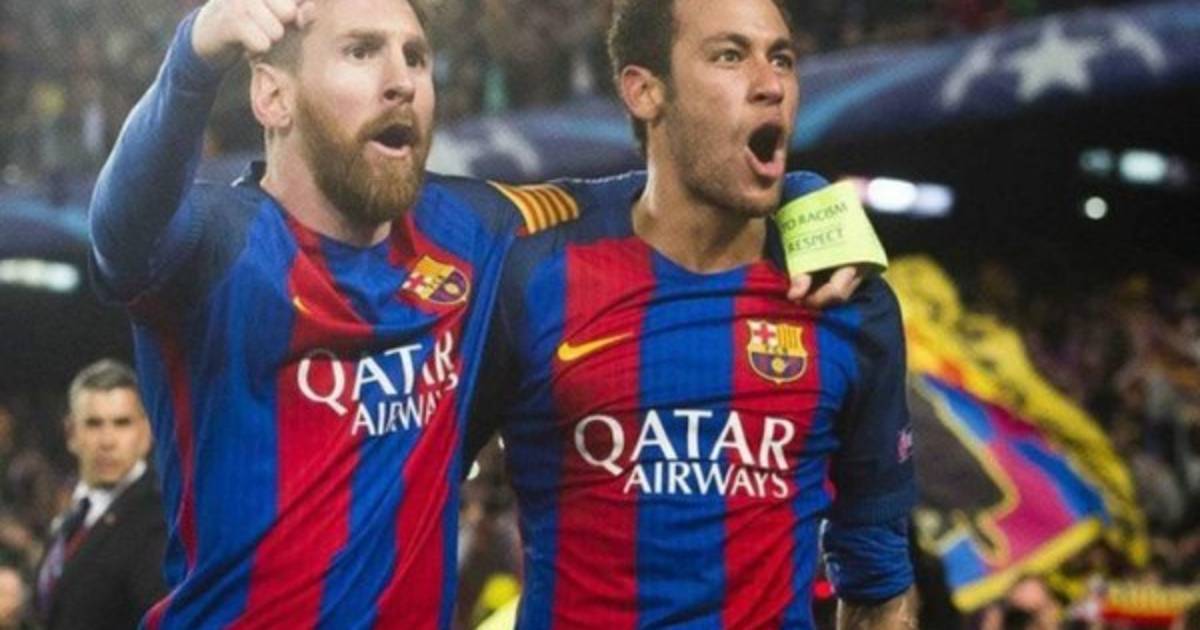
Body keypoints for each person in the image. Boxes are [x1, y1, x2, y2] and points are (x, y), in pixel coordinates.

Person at [88, 0, 869, 625]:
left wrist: (805, 201)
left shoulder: (470, 229)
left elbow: (659, 196)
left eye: (416, 57)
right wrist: (192, 60)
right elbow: (120, 231)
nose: (401, 80)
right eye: (361, 51)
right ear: (273, 95)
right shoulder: (214, 245)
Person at [466, 0, 917, 627]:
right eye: (730, 56)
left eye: (782, 58)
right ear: (644, 90)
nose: (770, 84)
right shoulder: (533, 269)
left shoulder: (845, 295)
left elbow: (879, 581)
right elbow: (410, 486)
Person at [33, 360, 165, 630]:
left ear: (146, 432)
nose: (107, 441)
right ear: (71, 433)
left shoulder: (161, 516)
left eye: (122, 423)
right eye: (94, 424)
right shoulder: (73, 517)